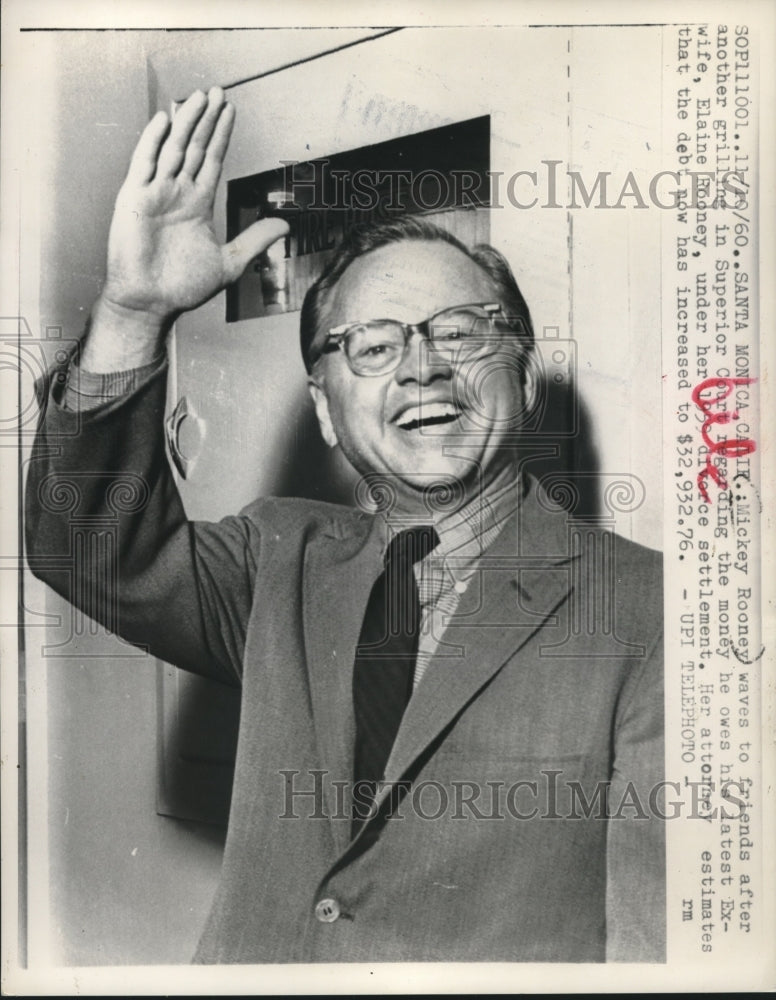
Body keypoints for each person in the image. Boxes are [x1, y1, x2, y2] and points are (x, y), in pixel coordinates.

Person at [26, 87, 664, 963]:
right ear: (326, 414)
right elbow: (87, 546)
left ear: (525, 376)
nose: (422, 368)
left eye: (461, 332)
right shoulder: (275, 559)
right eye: (373, 346)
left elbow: (657, 944)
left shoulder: (655, 610)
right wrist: (135, 314)